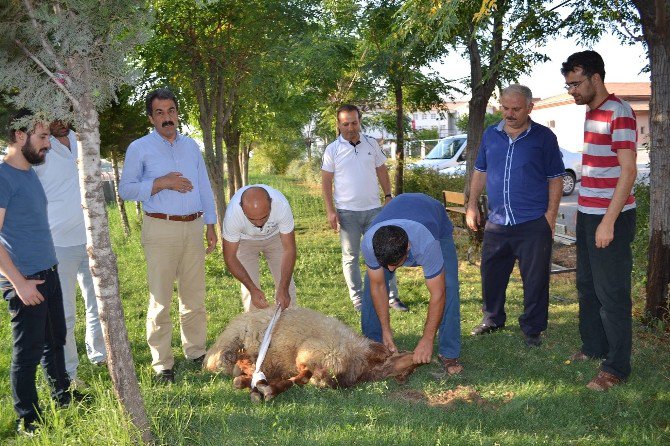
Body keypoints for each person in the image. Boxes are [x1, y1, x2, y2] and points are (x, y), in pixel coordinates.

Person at [119, 88, 217, 384]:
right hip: (160, 228)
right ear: (151, 118)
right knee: (160, 299)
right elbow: (126, 190)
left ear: (177, 113)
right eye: (159, 113)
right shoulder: (139, 148)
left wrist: (211, 225)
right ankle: (162, 363)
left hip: (193, 227)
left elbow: (204, 186)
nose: (167, 118)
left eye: (171, 111)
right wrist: (162, 183)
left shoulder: (191, 147)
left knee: (194, 297)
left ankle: (197, 351)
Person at [466, 84, 565, 347]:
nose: (509, 114)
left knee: (535, 279)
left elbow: (556, 178)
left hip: (532, 222)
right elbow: (480, 171)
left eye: (516, 109)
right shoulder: (490, 135)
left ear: (530, 108)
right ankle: (492, 318)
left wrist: (550, 217)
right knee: (492, 274)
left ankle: (532, 327)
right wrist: (472, 205)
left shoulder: (544, 138)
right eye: (505, 108)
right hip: (497, 222)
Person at [561, 51, 637, 391]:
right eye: (568, 86)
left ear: (595, 78)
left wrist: (608, 221)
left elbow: (628, 171)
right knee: (587, 287)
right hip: (590, 215)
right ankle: (594, 347)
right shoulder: (593, 112)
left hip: (613, 219)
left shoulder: (618, 113)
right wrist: (584, 211)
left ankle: (617, 368)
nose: (572, 91)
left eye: (576, 84)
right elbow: (595, 171)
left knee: (613, 294)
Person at [0, 110, 79, 435]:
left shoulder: (29, 173)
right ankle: (27, 419)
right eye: (42, 137)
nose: (48, 143)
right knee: (28, 350)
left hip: (48, 271)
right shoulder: (3, 177)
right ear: (20, 136)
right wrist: (19, 283)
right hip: (25, 279)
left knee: (55, 339)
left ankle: (63, 397)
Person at [33, 120, 107, 389]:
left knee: (99, 304)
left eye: (65, 114)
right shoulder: (40, 146)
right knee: (63, 312)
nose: (60, 122)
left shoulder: (84, 139)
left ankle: (101, 354)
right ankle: (68, 373)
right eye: (54, 117)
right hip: (56, 243)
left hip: (92, 239)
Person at [360, 193, 462, 374]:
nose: (391, 270)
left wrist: (427, 339)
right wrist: (386, 329)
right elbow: (378, 286)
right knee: (371, 285)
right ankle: (374, 347)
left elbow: (437, 294)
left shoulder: (427, 244)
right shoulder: (370, 243)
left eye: (395, 264)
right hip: (400, 217)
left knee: (449, 285)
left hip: (434, 220)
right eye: (386, 265)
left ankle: (449, 352)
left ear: (408, 248)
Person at [321, 104, 405, 312]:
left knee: (384, 252)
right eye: (346, 124)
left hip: (374, 209)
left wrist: (388, 196)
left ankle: (391, 297)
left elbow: (382, 171)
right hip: (347, 212)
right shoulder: (332, 150)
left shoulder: (371, 144)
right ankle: (358, 298)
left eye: (354, 122)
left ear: (360, 121)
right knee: (350, 256)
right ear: (338, 125)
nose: (350, 127)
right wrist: (331, 210)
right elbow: (325, 182)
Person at [222, 185, 297, 311]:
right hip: (246, 241)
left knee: (287, 292)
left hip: (275, 237)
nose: (259, 224)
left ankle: (289, 327)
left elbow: (289, 249)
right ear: (242, 209)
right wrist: (252, 289)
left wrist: (283, 288)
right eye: (252, 219)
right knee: (252, 298)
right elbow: (230, 257)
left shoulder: (281, 205)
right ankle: (255, 328)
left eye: (264, 217)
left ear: (271, 204)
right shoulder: (232, 215)